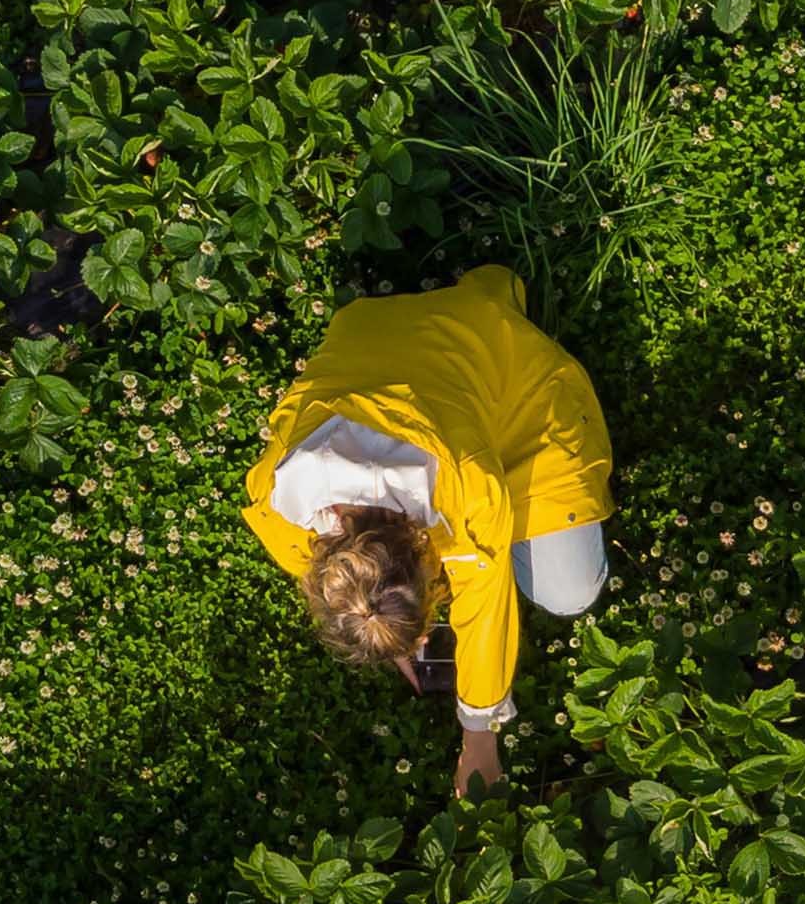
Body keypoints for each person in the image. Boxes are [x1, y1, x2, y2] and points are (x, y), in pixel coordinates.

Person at [245, 265, 613, 795]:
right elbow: (357, 583)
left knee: (568, 591)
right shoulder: (277, 505)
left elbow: (486, 608)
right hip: (375, 332)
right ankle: (467, 293)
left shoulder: (467, 485)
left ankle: (493, 295)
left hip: (516, 390)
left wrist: (479, 738)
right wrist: (389, 631)